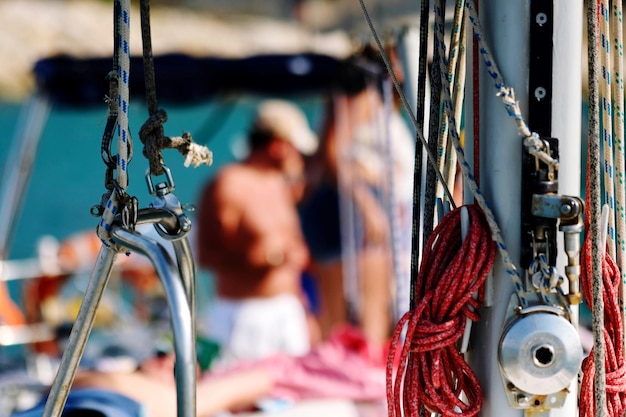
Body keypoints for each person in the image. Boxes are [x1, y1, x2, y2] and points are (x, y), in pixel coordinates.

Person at [195, 99, 319, 361]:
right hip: (243, 319)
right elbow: (207, 255)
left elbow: (291, 249)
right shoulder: (227, 186)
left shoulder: (280, 186)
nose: (302, 159)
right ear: (278, 147)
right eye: (297, 150)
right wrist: (267, 258)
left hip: (288, 314)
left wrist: (305, 312)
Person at [10, 352, 273, 417]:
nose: (168, 358)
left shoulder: (163, 400)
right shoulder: (97, 376)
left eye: (179, 369)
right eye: (161, 352)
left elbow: (261, 379)